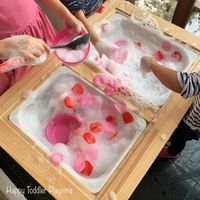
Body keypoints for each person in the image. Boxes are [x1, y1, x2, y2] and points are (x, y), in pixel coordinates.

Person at [0, 0, 86, 96]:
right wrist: (6, 47)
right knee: (19, 97)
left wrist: (64, 13)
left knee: (55, 78)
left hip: (39, 28)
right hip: (9, 54)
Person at [140, 56, 200, 158]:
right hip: (196, 107)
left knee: (180, 136)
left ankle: (172, 152)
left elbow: (184, 84)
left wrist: (153, 65)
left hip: (193, 123)